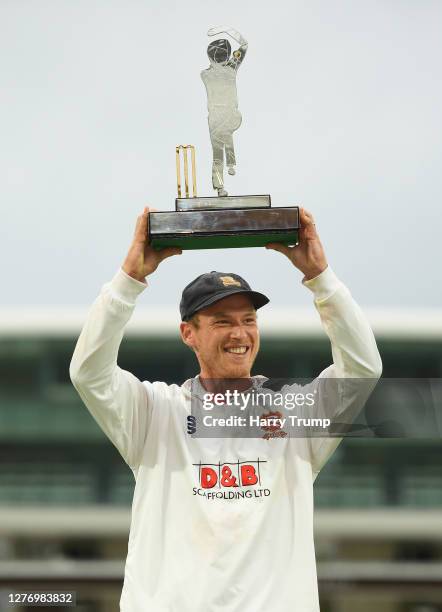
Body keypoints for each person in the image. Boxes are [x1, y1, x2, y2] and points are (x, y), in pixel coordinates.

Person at [70, 206, 382, 611]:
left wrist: (321, 279)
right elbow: (89, 373)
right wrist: (129, 280)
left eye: (249, 320)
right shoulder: (155, 413)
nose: (240, 334)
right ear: (189, 333)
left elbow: (362, 368)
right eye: (221, 321)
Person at [201, 26, 248, 196]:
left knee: (216, 154)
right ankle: (231, 164)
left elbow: (215, 66)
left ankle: (220, 185)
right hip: (228, 116)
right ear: (228, 56)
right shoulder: (231, 70)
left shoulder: (205, 75)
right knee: (226, 136)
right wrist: (227, 30)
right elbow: (244, 45)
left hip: (215, 119)